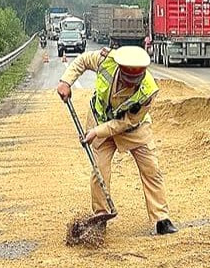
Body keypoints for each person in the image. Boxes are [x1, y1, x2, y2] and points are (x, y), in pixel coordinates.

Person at [56, 45, 177, 235]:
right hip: (100, 120)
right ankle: (101, 216)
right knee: (99, 171)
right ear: (120, 70)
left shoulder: (149, 91)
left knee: (151, 170)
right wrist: (66, 81)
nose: (130, 85)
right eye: (128, 80)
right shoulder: (107, 60)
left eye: (135, 81)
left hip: (133, 129)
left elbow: (127, 122)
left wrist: (97, 132)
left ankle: (162, 219)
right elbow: (83, 60)